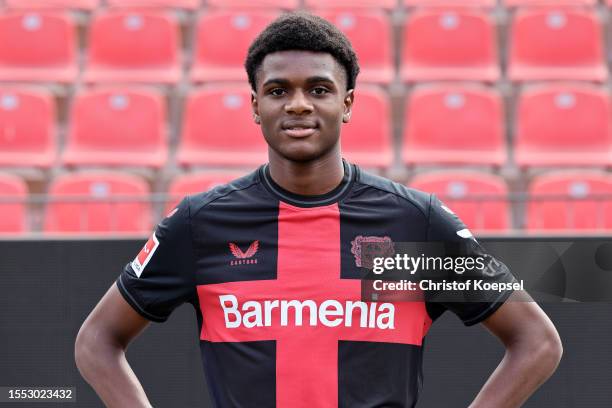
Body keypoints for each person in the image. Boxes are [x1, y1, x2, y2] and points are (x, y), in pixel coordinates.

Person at [75, 12, 562, 408]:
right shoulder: (201, 223)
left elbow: (536, 342)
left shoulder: (415, 222)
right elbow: (97, 339)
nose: (299, 105)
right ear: (255, 105)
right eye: (279, 90)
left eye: (319, 89)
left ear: (347, 103)